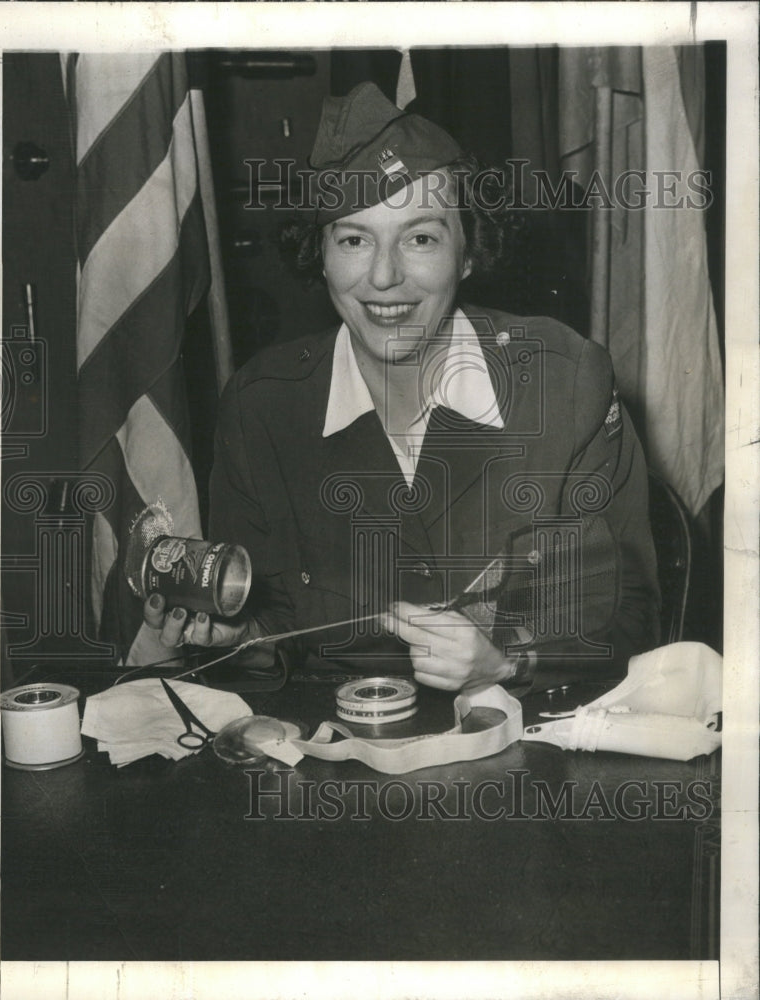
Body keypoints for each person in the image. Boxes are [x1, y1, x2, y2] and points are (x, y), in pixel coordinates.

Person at [140, 82, 660, 690]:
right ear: (321, 256)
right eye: (355, 240)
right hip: (335, 764)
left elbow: (630, 619)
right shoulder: (261, 407)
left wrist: (509, 663)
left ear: (468, 252)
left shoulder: (565, 381)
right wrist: (240, 643)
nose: (385, 277)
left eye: (421, 238)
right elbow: (276, 632)